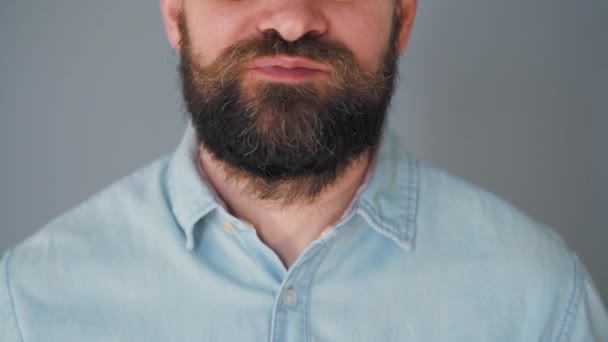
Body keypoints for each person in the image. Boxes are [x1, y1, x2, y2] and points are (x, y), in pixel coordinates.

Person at [1, 0, 606, 340]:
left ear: (406, 15)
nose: (291, 19)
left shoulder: (542, 304)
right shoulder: (29, 308)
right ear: (173, 13)